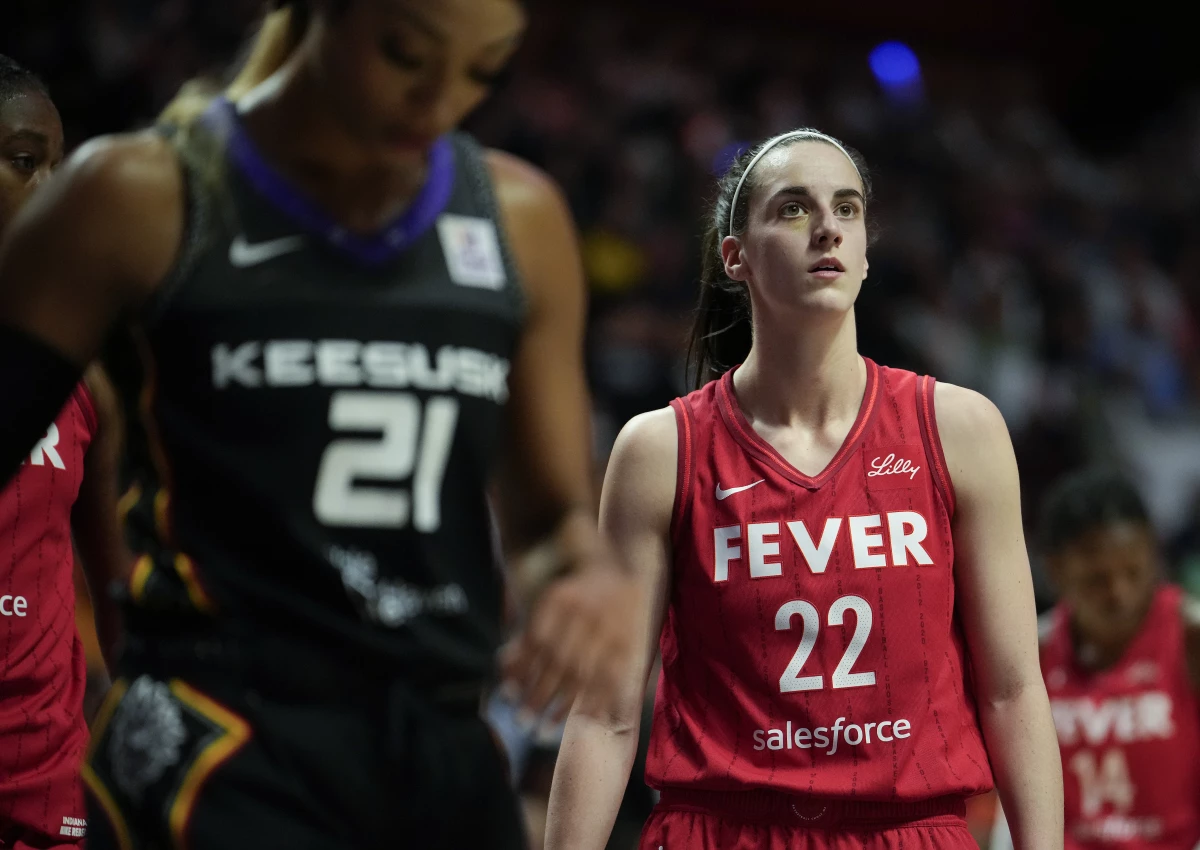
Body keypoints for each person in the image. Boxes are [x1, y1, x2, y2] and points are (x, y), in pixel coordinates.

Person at [0, 1, 641, 847]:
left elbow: (554, 520)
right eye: (408, 54)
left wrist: (583, 581)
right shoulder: (135, 197)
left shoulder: (519, 217)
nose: (440, 99)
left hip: (437, 738)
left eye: (484, 70)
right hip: (219, 727)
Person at [545, 129, 1064, 850]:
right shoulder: (660, 450)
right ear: (736, 256)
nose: (828, 227)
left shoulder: (961, 429)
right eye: (793, 209)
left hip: (909, 830)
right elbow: (605, 712)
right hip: (720, 829)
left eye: (846, 209)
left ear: (865, 250)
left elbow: (1012, 689)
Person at [0, 54, 127, 850]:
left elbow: (122, 605)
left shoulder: (87, 374)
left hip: (45, 784)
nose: (51, 190)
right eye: (23, 162)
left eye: (58, 164)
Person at [991, 469, 1200, 850]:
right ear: (1055, 570)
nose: (1119, 592)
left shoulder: (1190, 638)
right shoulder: (1028, 654)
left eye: (1134, 572)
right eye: (1096, 579)